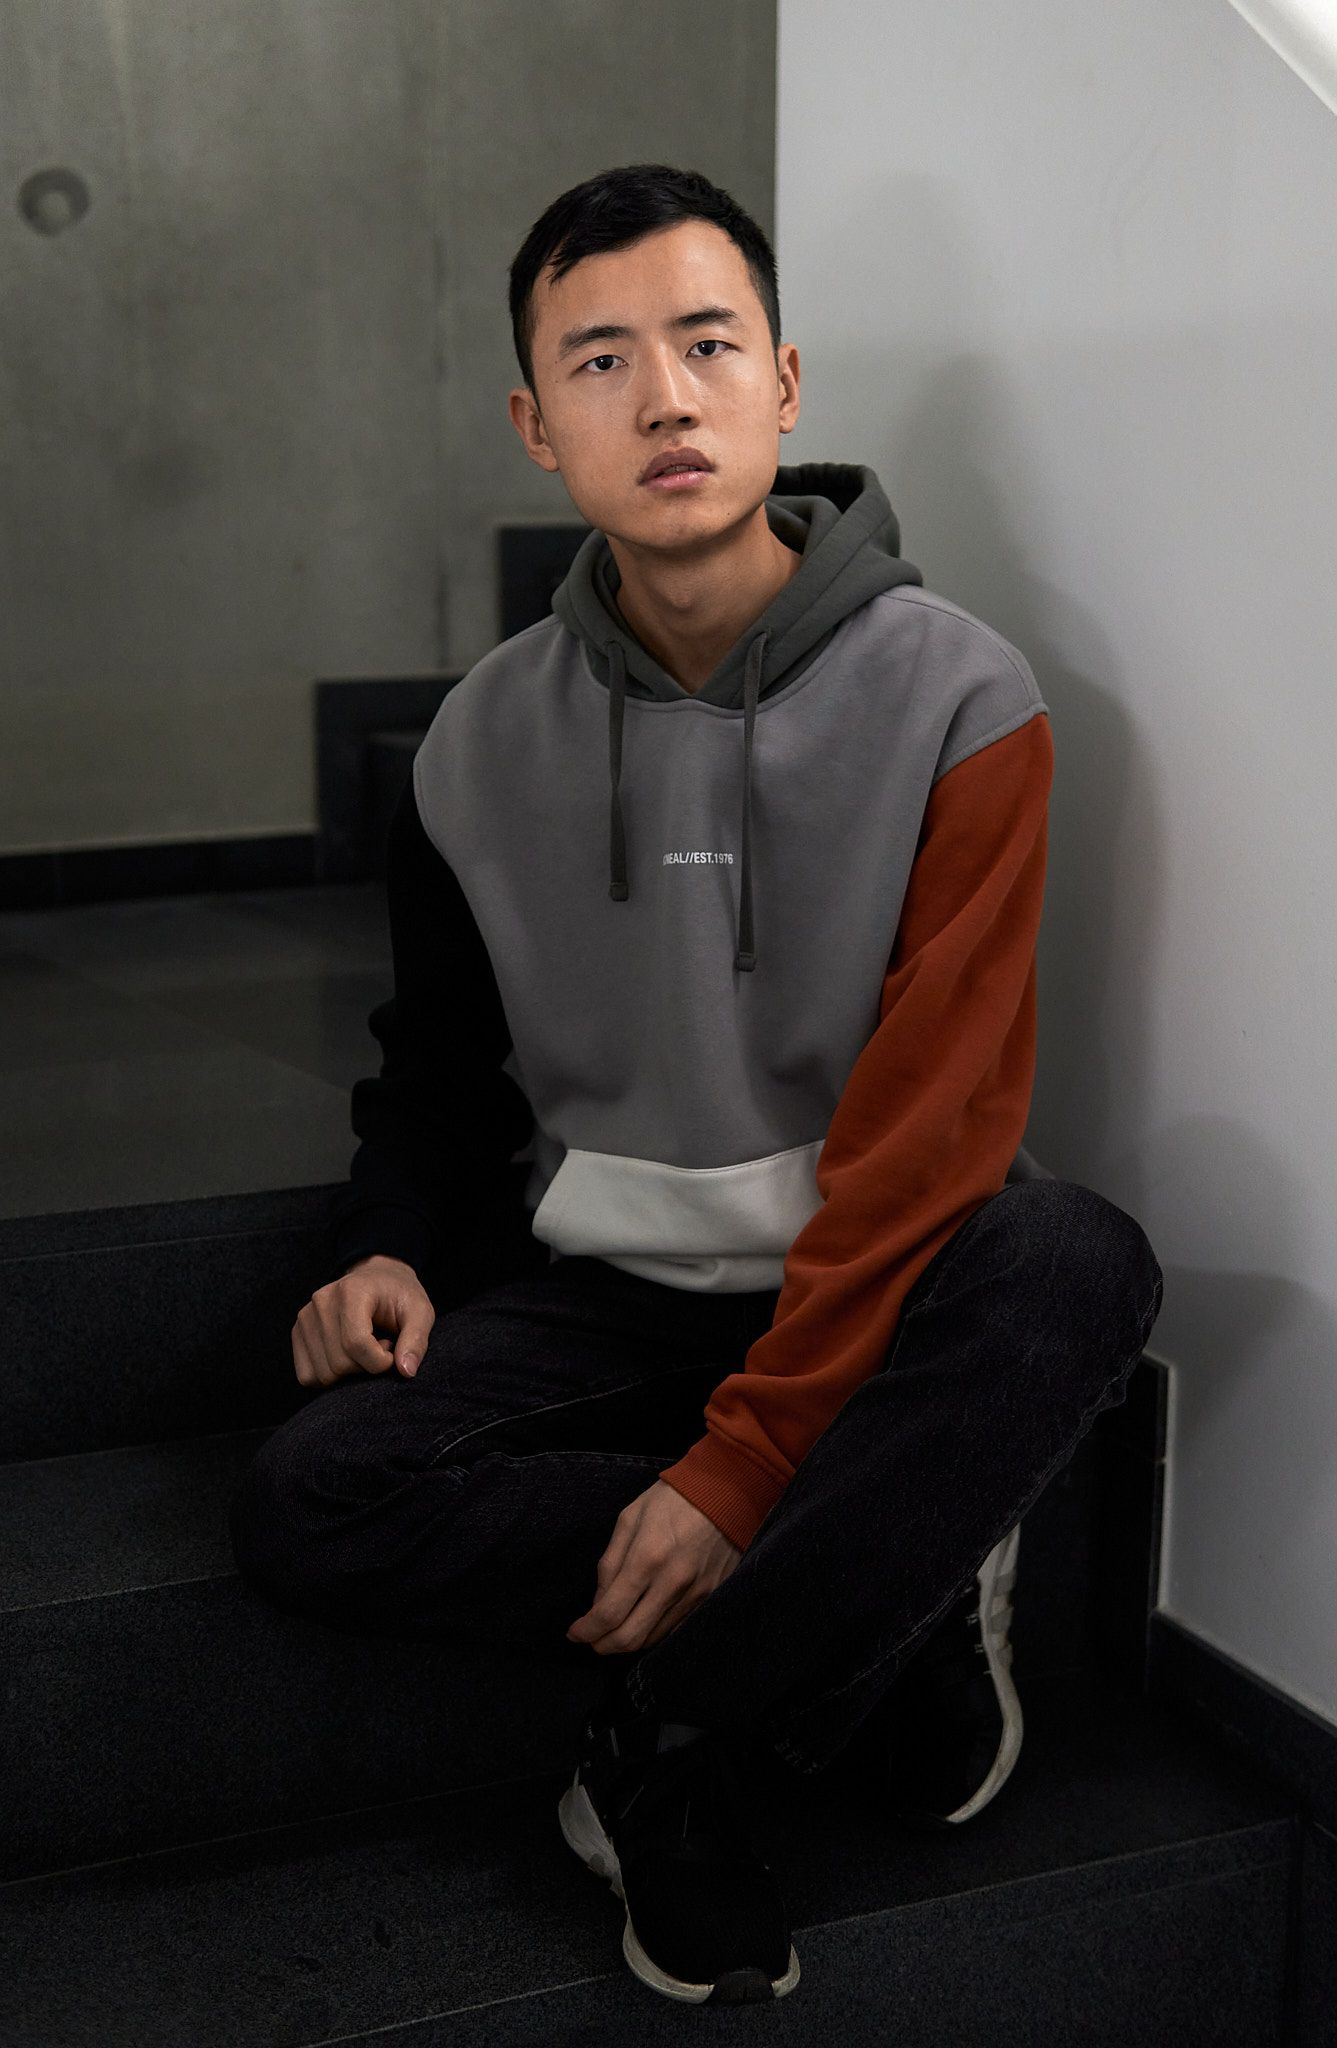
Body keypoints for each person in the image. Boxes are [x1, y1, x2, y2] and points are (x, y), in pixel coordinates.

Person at [229, 162, 1164, 2009]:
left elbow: (931, 1138)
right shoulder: (473, 745)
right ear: (536, 425)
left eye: (708, 344)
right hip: (613, 1293)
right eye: (600, 361)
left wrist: (739, 1480)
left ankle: (672, 1749)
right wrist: (385, 1242)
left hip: (883, 1287)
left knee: (1077, 1262)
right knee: (312, 1495)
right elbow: (437, 1070)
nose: (663, 398)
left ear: (783, 383)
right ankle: (893, 1566)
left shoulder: (961, 697)